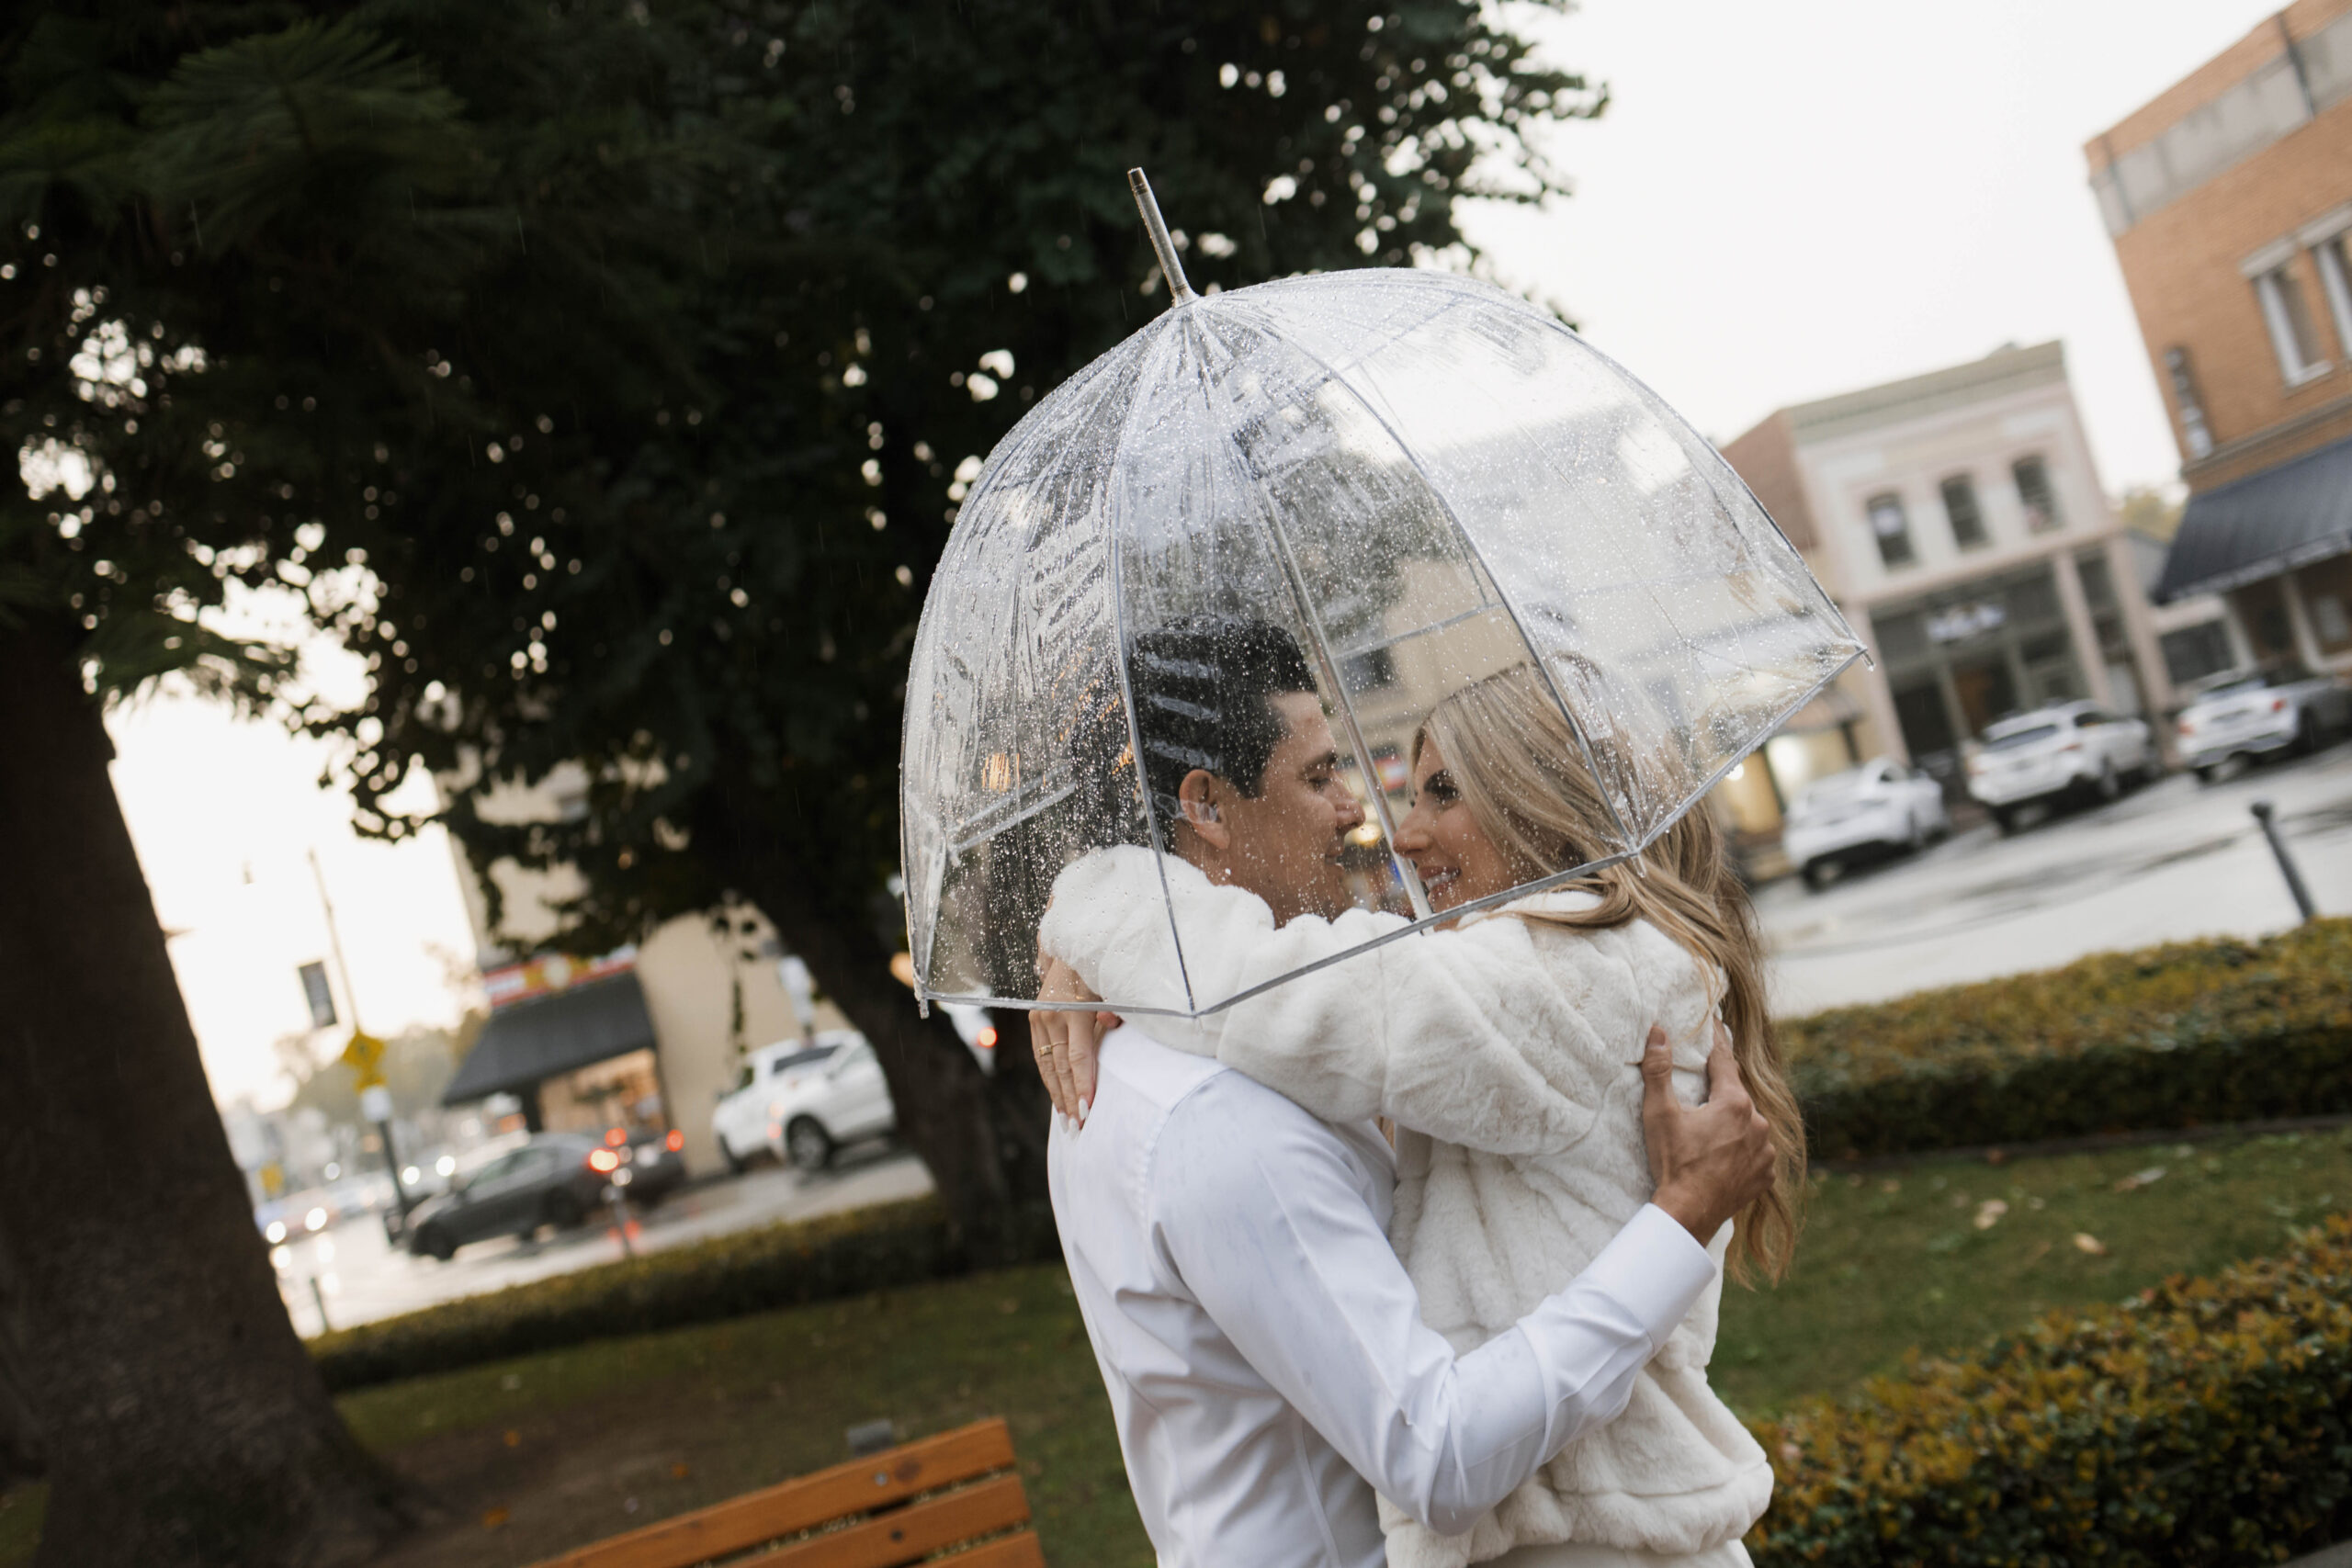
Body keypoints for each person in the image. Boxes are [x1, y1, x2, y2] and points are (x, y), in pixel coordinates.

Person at [1029, 621, 1781, 1568]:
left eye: (1441, 792)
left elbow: (1332, 996)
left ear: (1538, 805)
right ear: (1207, 808)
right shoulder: (1215, 1114)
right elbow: (1440, 1451)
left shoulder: (1545, 987)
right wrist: (1097, 933)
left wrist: (1094, 916)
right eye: (1318, 776)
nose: (1367, 814)